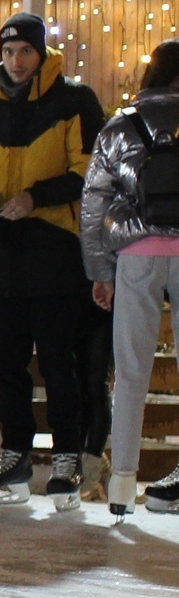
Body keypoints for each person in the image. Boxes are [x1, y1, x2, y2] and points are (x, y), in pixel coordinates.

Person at [0, 11, 102, 507]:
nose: (16, 61)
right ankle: (15, 453)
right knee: (8, 361)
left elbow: (88, 170)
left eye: (25, 51)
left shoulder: (74, 100)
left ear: (41, 54)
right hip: (3, 248)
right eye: (9, 50)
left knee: (59, 360)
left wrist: (35, 198)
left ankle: (66, 458)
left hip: (55, 247)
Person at [81, 38, 179, 517]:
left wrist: (100, 270)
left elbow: (95, 200)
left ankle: (122, 483)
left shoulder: (121, 126)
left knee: (131, 372)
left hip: (137, 254)